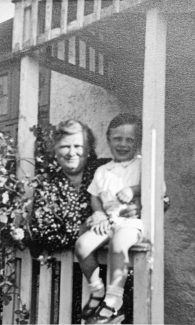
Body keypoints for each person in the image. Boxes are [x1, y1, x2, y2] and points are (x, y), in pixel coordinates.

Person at [29, 119, 140, 256]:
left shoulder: (105, 169)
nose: (71, 152)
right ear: (55, 151)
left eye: (78, 146)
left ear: (88, 149)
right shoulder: (46, 185)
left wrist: (140, 206)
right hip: (69, 267)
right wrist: (86, 226)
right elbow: (41, 235)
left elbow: (160, 197)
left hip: (115, 261)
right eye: (64, 147)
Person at [75, 113, 144, 324]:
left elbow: (155, 188)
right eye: (117, 138)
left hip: (132, 223)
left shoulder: (142, 165)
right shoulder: (102, 171)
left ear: (138, 142)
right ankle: (97, 290)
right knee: (82, 245)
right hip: (109, 221)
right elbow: (95, 197)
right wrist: (98, 213)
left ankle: (114, 300)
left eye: (129, 139)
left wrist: (133, 190)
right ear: (108, 139)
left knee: (118, 244)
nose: (122, 144)